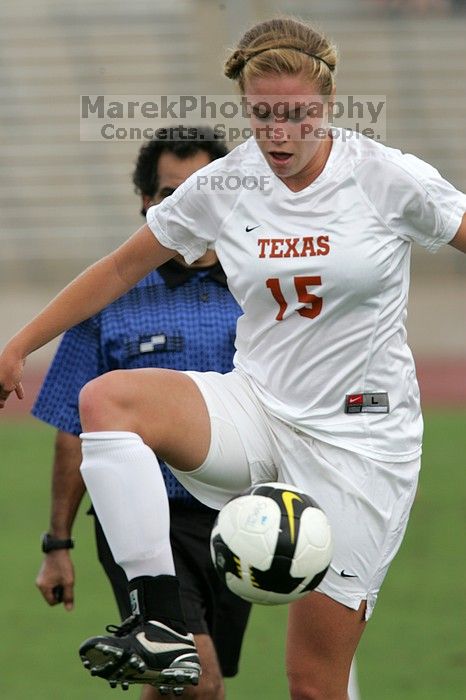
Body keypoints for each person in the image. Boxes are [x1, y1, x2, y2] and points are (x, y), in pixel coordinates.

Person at [1, 15, 465, 699]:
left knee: (312, 684)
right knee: (107, 399)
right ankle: (157, 621)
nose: (278, 132)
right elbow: (119, 270)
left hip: (362, 440)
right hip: (259, 408)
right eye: (261, 115)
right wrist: (18, 344)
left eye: (295, 115)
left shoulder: (387, 178)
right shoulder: (226, 183)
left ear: (328, 106)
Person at [33, 127, 252, 700]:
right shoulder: (106, 300)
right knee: (199, 681)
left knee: (176, 681)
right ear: (147, 204)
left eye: (198, 189)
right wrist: (58, 545)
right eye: (168, 192)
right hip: (146, 518)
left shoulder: (261, 293)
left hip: (239, 516)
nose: (182, 204)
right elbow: (74, 430)